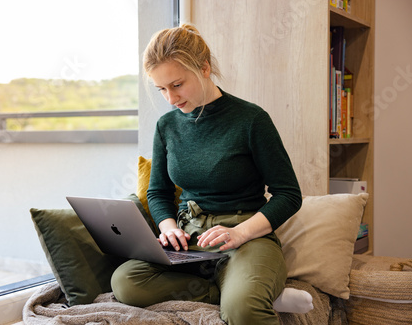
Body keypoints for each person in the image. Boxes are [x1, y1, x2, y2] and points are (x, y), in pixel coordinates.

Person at [111, 24, 304, 325]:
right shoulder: (167, 127)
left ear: (204, 68)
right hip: (190, 239)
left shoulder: (251, 120)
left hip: (245, 237)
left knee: (244, 312)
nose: (170, 98)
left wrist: (240, 233)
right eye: (161, 89)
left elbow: (289, 194)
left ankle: (243, 296)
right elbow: (158, 191)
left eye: (176, 84)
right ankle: (231, 291)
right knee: (126, 282)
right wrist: (168, 226)